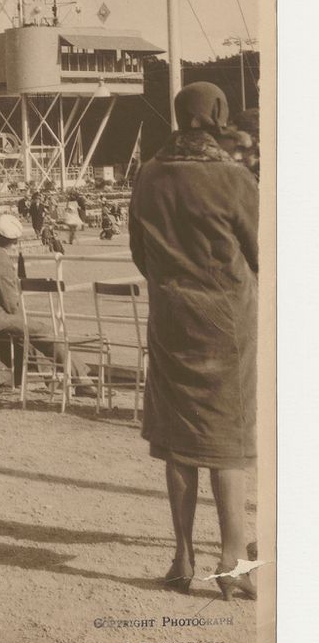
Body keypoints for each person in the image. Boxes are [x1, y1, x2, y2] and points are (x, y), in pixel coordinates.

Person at [129, 82, 258, 598]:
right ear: (220, 115)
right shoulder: (233, 178)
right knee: (228, 445)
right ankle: (232, 561)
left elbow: (140, 253)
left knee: (179, 443)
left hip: (170, 318)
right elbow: (263, 250)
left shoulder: (149, 176)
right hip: (226, 323)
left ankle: (182, 556)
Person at [0, 214, 89, 396]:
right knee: (44, 331)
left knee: (27, 332)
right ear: (16, 240)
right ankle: (81, 379)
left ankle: (52, 378)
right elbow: (11, 305)